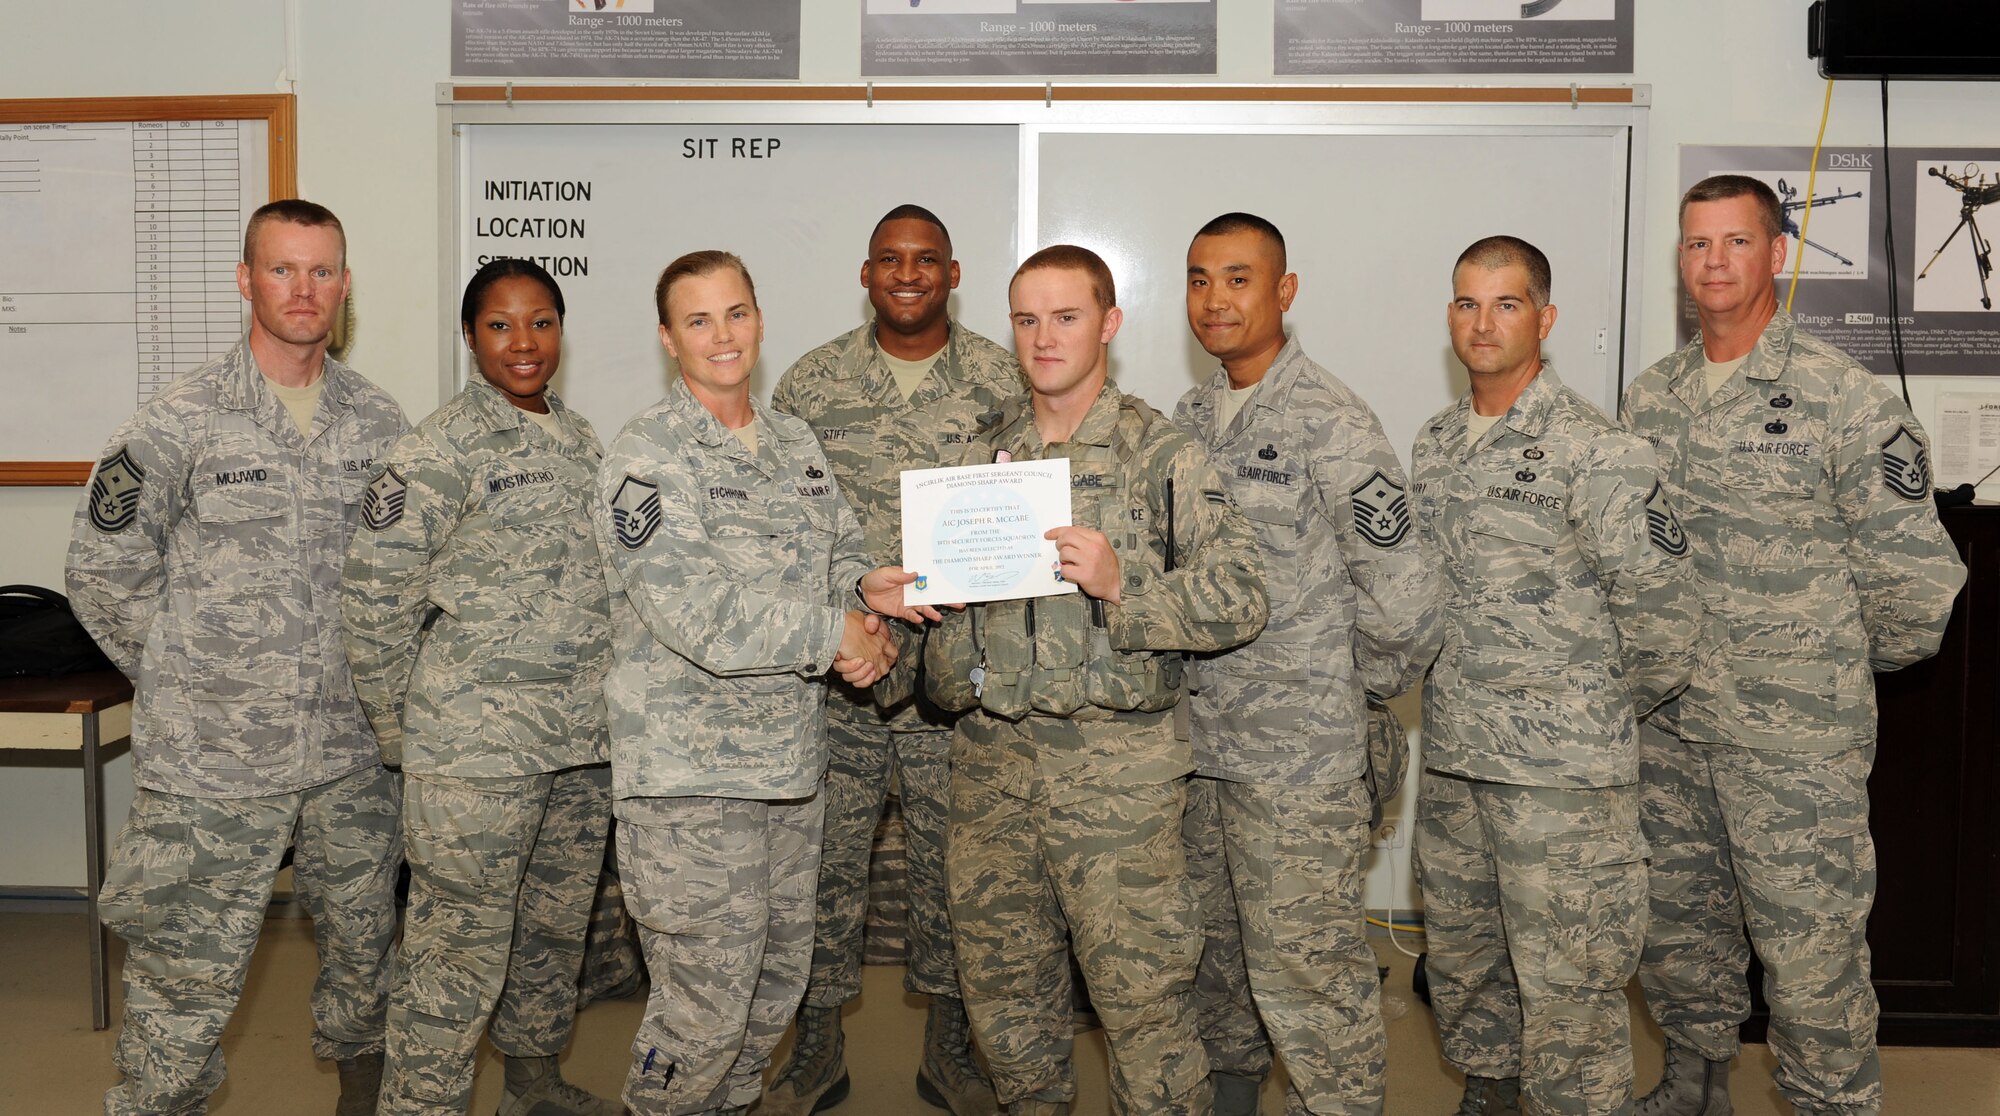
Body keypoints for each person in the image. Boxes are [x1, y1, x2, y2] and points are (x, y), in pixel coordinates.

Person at [1622, 176, 1966, 1116]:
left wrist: (1820, 679)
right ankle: (1694, 1088)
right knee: (1680, 938)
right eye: (1697, 245)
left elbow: (1917, 585)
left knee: (1810, 956)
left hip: (1794, 744)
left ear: (1778, 255)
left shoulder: (1844, 397)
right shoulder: (1650, 398)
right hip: (1673, 731)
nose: (1715, 263)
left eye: (1737, 242)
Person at [66, 199, 408, 1116]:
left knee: (368, 956)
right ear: (246, 280)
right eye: (284, 269)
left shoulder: (379, 422)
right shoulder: (175, 422)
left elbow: (400, 573)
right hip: (213, 762)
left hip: (350, 753)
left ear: (345, 284)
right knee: (182, 978)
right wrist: (188, 673)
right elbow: (102, 570)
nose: (305, 289)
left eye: (323, 270)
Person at [924, 244, 1270, 1116]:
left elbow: (1242, 594)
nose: (1045, 338)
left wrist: (1127, 587)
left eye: (1067, 316)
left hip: (1118, 783)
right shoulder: (974, 463)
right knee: (1006, 1009)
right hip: (991, 775)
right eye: (1027, 319)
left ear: (1109, 323)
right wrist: (914, 598)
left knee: (1144, 1007)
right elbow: (941, 630)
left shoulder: (1163, 452)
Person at [596, 250, 938, 1116]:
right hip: (689, 787)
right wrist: (838, 635)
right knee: (702, 1017)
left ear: (758, 317)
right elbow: (696, 613)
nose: (723, 336)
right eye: (700, 320)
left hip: (789, 773)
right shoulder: (648, 456)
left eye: (736, 314)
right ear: (669, 338)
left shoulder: (794, 442)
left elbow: (840, 551)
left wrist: (866, 593)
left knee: (769, 1000)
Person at [1410, 236, 1699, 1116]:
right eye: (1466, 303)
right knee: (1466, 970)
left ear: (1545, 316)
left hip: (1564, 783)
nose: (1483, 322)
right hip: (1458, 762)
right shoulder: (1435, 443)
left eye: (1505, 303)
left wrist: (1584, 714)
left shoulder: (1598, 451)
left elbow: (1666, 622)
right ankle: (1489, 1098)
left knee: (1570, 993)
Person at [1171, 212, 1443, 1116]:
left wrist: (1335, 691)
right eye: (1201, 279)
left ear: (1284, 293)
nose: (1217, 299)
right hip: (1195, 746)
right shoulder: (1189, 418)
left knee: (1309, 975)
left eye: (1239, 279)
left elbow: (1403, 598)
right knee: (1213, 962)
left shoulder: (1333, 420)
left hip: (1298, 761)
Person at [341, 257, 618, 1116]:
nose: (524, 342)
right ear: (469, 337)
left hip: (579, 745)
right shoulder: (433, 451)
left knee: (550, 935)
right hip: (474, 755)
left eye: (541, 321)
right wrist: (401, 737)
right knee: (453, 953)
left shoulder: (581, 440)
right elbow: (374, 599)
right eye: (500, 324)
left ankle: (531, 1086)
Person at [764, 204, 1021, 1116]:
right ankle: (817, 1052)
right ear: (864, 274)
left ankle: (951, 1052)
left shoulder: (1005, 376)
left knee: (959, 876)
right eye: (888, 260)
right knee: (822, 871)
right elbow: (782, 530)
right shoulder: (810, 383)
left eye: (926, 260)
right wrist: (840, 620)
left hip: (960, 685)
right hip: (841, 680)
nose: (906, 274)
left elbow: (1028, 517)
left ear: (953, 274)